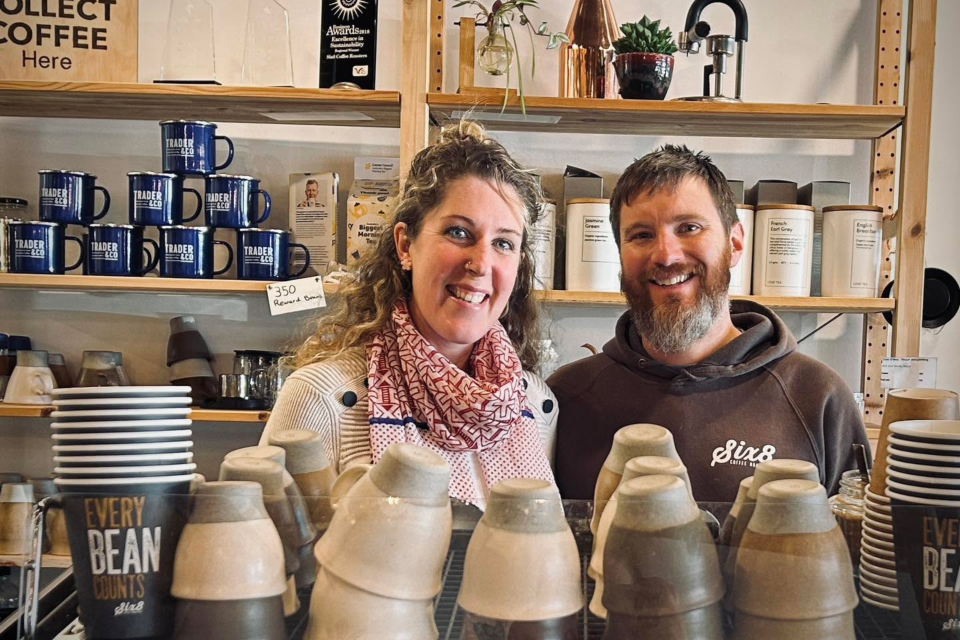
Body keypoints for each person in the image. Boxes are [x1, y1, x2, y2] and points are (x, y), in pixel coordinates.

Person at [548, 145, 870, 506]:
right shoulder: (566, 398)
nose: (666, 255)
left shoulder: (817, 397)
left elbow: (859, 553)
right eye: (641, 235)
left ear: (734, 243)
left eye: (689, 227)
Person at [261, 122, 558, 509]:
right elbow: (269, 561)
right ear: (406, 245)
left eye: (503, 243)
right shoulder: (322, 400)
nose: (481, 263)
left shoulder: (536, 405)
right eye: (458, 232)